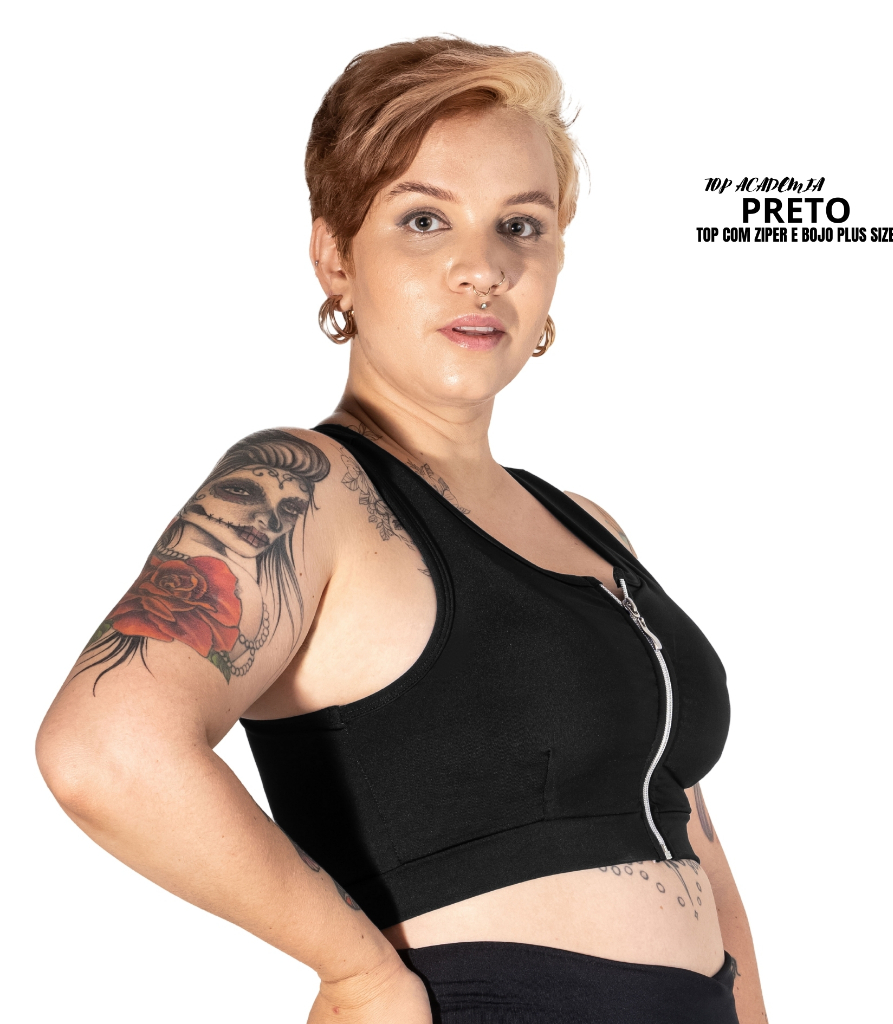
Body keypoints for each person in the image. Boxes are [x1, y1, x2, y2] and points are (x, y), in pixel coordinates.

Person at [37, 36, 768, 1024]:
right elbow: (105, 750)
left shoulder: (590, 527)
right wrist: (359, 973)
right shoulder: (303, 488)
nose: (483, 268)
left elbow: (688, 831)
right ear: (335, 255)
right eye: (425, 220)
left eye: (521, 225)